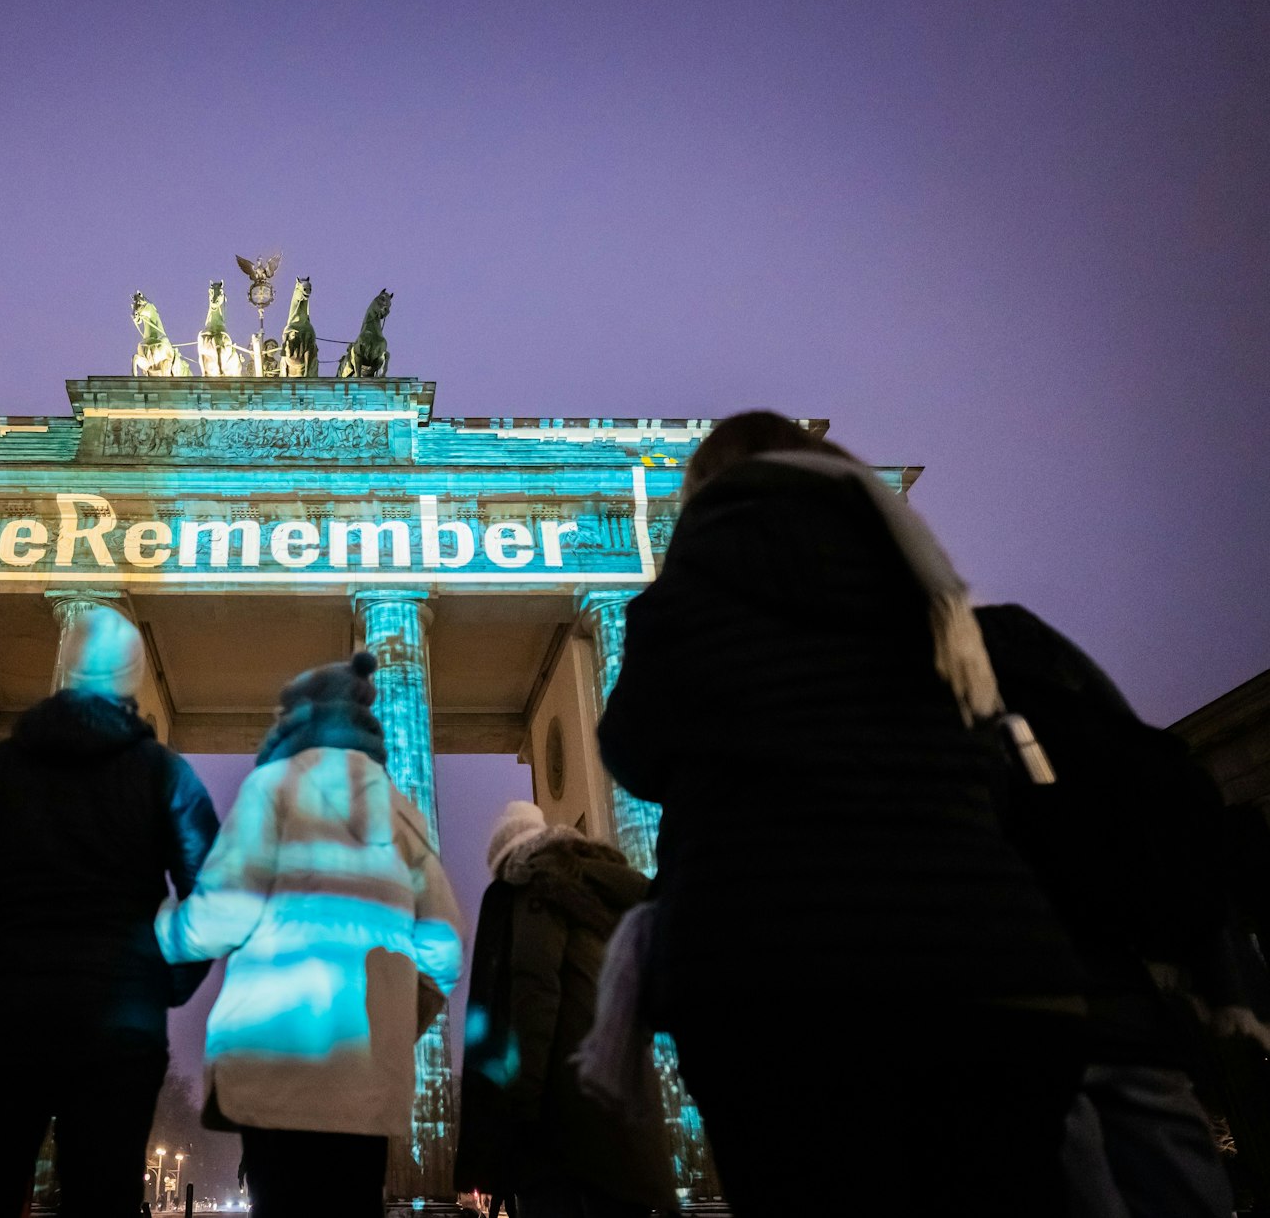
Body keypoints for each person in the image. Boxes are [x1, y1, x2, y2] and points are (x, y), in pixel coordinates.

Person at [598, 410, 1086, 1217]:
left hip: (784, 978)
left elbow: (633, 752)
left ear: (703, 486)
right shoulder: (923, 577)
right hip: (992, 968)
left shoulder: (695, 581)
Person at [0, 604, 219, 1216]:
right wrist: (162, 984)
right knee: (101, 1197)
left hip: (8, 1021)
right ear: (135, 680)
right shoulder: (164, 774)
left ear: (66, 671)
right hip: (120, 1029)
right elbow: (214, 901)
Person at [155, 651, 466, 1218]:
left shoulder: (273, 788)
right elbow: (445, 948)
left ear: (294, 720)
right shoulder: (404, 816)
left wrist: (161, 931)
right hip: (367, 1077)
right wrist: (396, 1021)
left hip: (277, 1065)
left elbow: (224, 913)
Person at [978, 602, 1258, 1217]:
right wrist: (1224, 985)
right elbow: (1172, 819)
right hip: (1124, 1004)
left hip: (1016, 1008)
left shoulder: (948, 720)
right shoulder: (1013, 643)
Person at [455, 801, 679, 1217]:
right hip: (624, 1110)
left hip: (561, 1124)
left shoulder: (535, 891)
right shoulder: (609, 893)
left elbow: (535, 998)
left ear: (510, 863)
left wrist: (517, 1114)